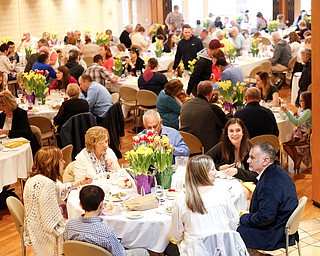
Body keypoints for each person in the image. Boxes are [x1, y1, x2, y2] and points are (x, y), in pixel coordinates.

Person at [23, 146, 92, 256]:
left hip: (34, 229)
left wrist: (79, 183)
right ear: (52, 163)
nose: (64, 162)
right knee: (88, 230)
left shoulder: (33, 179)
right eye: (61, 160)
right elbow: (52, 225)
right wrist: (76, 225)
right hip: (45, 237)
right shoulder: (47, 185)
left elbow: (59, 189)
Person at [170, 155, 239, 255]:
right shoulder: (222, 192)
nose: (216, 172)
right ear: (202, 173)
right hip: (223, 251)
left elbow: (176, 236)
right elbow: (234, 221)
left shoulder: (181, 200)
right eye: (212, 169)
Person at [237, 142, 298, 252]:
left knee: (235, 232)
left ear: (265, 161)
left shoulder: (268, 184)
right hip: (283, 226)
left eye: (252, 158)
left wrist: (243, 218)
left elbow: (265, 218)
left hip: (275, 234)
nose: (248, 161)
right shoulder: (278, 171)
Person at [64, 185, 149, 256]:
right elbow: (120, 254)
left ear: (81, 205)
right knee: (143, 252)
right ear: (101, 205)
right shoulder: (108, 233)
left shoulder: (69, 226)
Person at [206, 118, 258, 183]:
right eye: (231, 131)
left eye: (238, 130)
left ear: (243, 132)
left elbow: (256, 175)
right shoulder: (221, 146)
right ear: (227, 133)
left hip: (246, 185)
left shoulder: (251, 148)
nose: (235, 134)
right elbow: (203, 163)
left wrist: (237, 172)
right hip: (224, 184)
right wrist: (219, 168)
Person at [181, 81, 227, 153]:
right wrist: (228, 114)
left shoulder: (185, 105)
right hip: (206, 147)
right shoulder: (212, 108)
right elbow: (226, 124)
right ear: (210, 93)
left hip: (186, 143)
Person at [0, 91, 40, 156]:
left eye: (3, 106)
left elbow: (24, 133)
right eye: (0, 106)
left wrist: (6, 132)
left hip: (23, 147)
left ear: (10, 104)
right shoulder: (2, 116)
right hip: (6, 147)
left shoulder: (21, 114)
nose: (1, 108)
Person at [281, 91, 311, 172]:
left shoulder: (308, 111)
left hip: (304, 135)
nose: (300, 102)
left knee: (285, 142)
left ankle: (296, 158)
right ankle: (296, 158)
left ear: (307, 101)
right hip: (302, 132)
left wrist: (286, 111)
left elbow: (297, 122)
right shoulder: (306, 111)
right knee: (287, 141)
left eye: (301, 101)